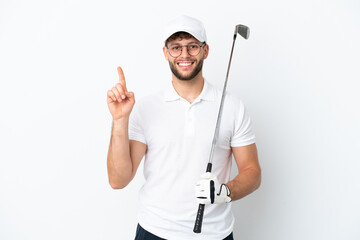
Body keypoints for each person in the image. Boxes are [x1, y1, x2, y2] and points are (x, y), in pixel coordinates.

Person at [106, 15, 261, 240]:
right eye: (176, 47)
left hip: (214, 234)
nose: (185, 55)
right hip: (154, 231)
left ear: (205, 51)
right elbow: (118, 180)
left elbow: (253, 173)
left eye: (193, 47)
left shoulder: (233, 107)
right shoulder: (146, 108)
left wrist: (225, 191)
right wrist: (120, 120)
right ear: (165, 53)